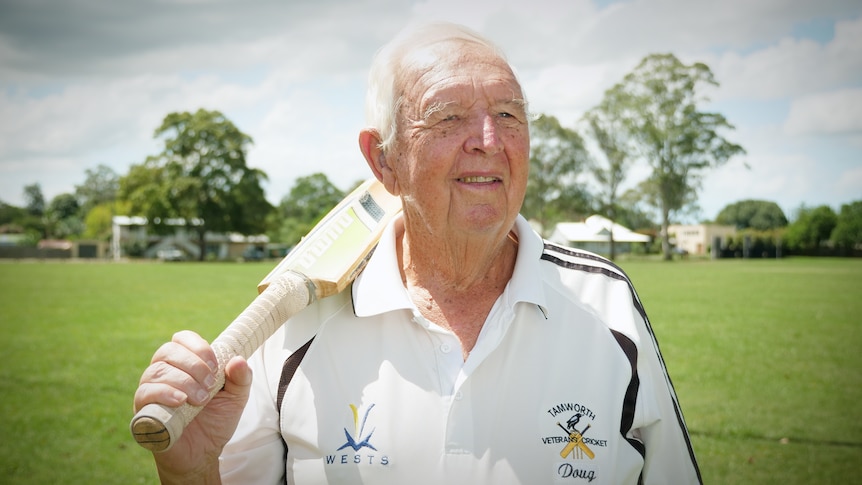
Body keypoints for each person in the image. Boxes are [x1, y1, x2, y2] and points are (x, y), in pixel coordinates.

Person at [133, 22, 702, 484]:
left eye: (509, 114)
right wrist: (190, 473)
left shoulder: (605, 304)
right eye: (450, 116)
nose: (489, 139)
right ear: (384, 161)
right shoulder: (295, 321)